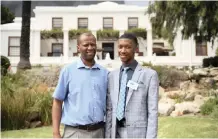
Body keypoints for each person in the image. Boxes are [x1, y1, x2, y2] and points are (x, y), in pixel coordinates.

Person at [52, 32, 108, 138]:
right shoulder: (68, 71)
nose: (90, 48)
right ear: (78, 48)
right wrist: (56, 133)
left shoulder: (105, 73)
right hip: (75, 133)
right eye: (86, 45)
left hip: (100, 132)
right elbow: (57, 101)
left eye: (93, 44)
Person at [105, 33, 159, 138]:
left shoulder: (149, 75)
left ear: (136, 49)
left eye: (128, 47)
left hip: (138, 134)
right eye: (120, 47)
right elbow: (109, 109)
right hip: (115, 133)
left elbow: (153, 111)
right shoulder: (112, 76)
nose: (123, 51)